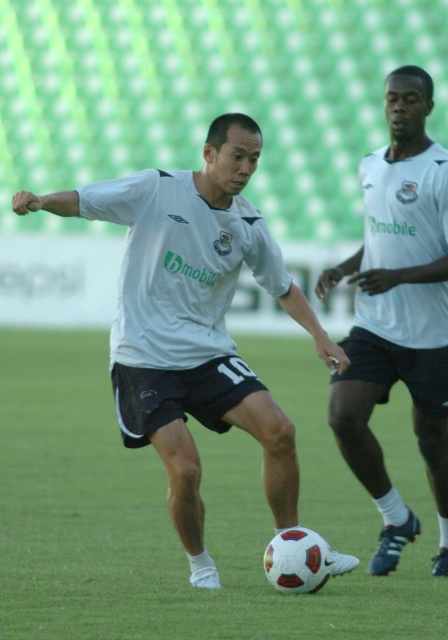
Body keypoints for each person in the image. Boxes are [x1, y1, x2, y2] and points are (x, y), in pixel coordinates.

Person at [13, 113, 359, 590]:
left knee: (280, 432)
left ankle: (294, 544)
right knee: (187, 470)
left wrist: (320, 336)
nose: (245, 168)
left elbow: (281, 286)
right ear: (209, 153)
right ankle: (201, 566)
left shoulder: (248, 223)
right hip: (143, 357)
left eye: (254, 159)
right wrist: (40, 201)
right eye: (237, 156)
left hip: (206, 354)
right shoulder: (157, 189)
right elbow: (86, 200)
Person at [315, 66, 448, 578]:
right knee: (342, 415)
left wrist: (399, 277)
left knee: (432, 442)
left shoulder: (444, 171)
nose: (400, 106)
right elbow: (380, 236)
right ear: (383, 103)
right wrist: (345, 267)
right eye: (392, 98)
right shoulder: (370, 165)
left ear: (428, 106)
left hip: (436, 336)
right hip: (377, 327)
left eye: (411, 98)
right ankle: (397, 518)